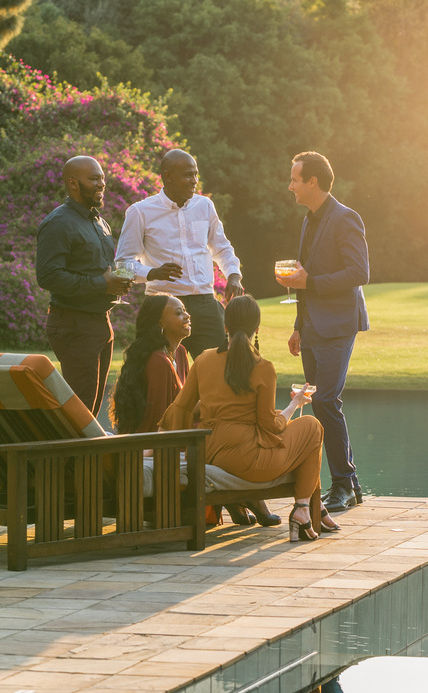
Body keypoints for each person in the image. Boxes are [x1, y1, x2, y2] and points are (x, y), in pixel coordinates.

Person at [159, 295, 339, 542]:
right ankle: (302, 508)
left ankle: (312, 509)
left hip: (209, 452)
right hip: (249, 463)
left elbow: (180, 409)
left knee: (301, 439)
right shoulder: (263, 367)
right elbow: (269, 426)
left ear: (225, 327)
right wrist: (293, 405)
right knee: (312, 428)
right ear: (257, 329)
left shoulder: (203, 359)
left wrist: (168, 443)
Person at [277, 151, 369, 514]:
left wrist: (309, 281)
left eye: (295, 179)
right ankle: (353, 484)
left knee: (326, 400)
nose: (291, 186)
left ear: (313, 181)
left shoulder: (347, 219)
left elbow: (359, 273)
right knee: (321, 402)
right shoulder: (308, 221)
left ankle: (343, 485)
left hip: (338, 324)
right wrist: (298, 326)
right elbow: (303, 280)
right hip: (312, 325)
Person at [116, 149, 243, 359]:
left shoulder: (205, 206)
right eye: (187, 175)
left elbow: (222, 247)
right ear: (168, 176)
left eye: (195, 174)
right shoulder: (140, 212)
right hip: (162, 307)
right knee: (161, 375)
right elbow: (122, 266)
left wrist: (234, 275)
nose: (194, 181)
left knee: (221, 370)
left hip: (205, 304)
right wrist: (152, 273)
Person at [36, 155, 132, 417]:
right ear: (73, 183)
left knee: (89, 411)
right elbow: (48, 277)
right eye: (93, 178)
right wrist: (102, 283)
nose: (101, 183)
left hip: (101, 323)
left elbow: (100, 270)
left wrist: (116, 282)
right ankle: (61, 458)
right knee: (78, 412)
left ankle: (81, 457)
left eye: (102, 177)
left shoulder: (99, 222)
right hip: (74, 325)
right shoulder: (58, 223)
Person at [109, 294, 191, 435]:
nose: (187, 315)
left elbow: (188, 400)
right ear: (161, 323)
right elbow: (156, 421)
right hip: (156, 442)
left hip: (178, 430)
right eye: (179, 312)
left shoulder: (180, 353)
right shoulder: (158, 362)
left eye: (184, 310)